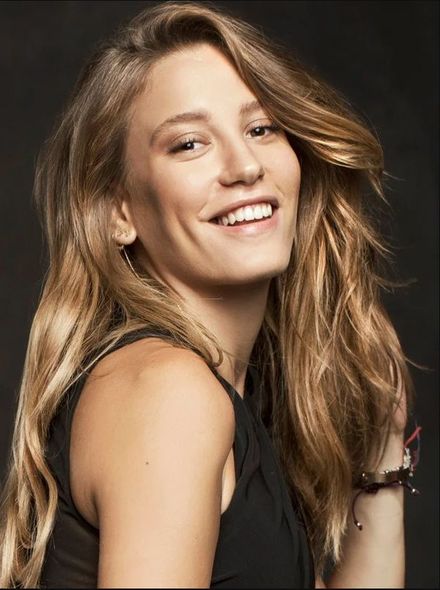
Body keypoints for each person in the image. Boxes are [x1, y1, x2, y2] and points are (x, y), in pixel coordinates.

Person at [0, 1, 420, 588]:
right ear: (119, 211)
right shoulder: (170, 392)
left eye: (261, 128)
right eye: (189, 144)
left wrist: (381, 449)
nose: (245, 165)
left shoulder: (221, 398)